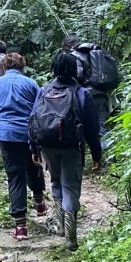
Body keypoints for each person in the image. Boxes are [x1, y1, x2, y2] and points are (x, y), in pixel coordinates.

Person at [30, 51, 103, 251]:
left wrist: (34, 147)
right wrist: (96, 154)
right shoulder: (81, 93)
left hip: (47, 146)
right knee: (70, 187)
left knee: (55, 181)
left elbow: (34, 120)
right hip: (71, 147)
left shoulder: (44, 90)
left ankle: (61, 226)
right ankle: (70, 237)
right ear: (74, 69)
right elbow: (92, 128)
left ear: (54, 68)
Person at [0, 53, 47, 240]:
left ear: (3, 67)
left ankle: (20, 226)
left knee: (15, 176)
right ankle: (39, 201)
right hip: (29, 134)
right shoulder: (31, 84)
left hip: (7, 135)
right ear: (22, 66)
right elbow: (42, 109)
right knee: (34, 165)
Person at [62, 35, 112, 143]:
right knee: (102, 124)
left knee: (87, 126)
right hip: (101, 92)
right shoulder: (91, 53)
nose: (64, 51)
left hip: (87, 94)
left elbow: (79, 74)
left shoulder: (75, 55)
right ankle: (108, 153)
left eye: (64, 48)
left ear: (69, 45)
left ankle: (95, 153)